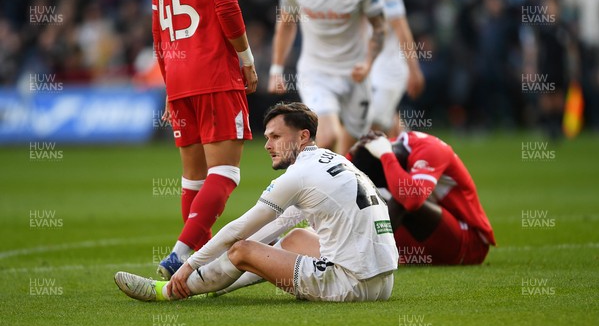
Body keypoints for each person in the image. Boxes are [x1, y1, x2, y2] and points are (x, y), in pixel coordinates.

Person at [115, 102, 398, 302]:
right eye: (267, 137)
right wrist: (215, 266)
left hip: (349, 285)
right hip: (384, 282)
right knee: (296, 237)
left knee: (242, 250)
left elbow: (240, 232)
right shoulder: (333, 160)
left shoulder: (298, 175)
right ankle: (215, 285)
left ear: (303, 137)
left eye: (276, 137)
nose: (267, 145)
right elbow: (276, 227)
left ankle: (169, 291)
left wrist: (189, 265)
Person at [151, 0, 258, 279]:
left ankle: (202, 267)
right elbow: (227, 5)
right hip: (213, 69)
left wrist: (170, 84)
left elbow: (157, 30)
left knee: (194, 180)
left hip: (179, 75)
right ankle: (179, 255)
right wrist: (246, 57)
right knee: (225, 173)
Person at [268, 0, 386, 155]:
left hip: (355, 73)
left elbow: (379, 27)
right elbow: (286, 23)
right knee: (328, 135)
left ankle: (336, 187)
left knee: (351, 152)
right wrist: (276, 69)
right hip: (317, 71)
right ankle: (301, 185)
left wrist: (369, 63)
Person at [348, 130, 495, 265]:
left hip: (468, 244)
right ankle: (347, 253)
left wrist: (387, 157)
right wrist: (350, 155)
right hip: (422, 244)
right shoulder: (384, 148)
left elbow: (412, 200)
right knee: (361, 196)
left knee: (402, 196)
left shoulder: (431, 149)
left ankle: (365, 256)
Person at [345, 0, 425, 134]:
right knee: (390, 128)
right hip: (368, 66)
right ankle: (415, 156)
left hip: (388, 67)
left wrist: (413, 69)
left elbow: (401, 27)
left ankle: (348, 165)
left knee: (368, 128)